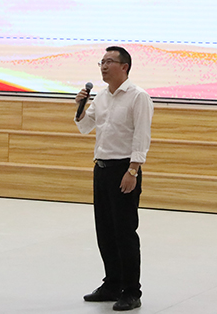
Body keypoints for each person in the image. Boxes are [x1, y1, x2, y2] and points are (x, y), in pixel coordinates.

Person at [75, 46, 154, 311]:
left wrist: (133, 171)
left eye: (109, 61)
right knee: (105, 231)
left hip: (124, 169)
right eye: (102, 62)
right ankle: (112, 284)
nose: (104, 66)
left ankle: (131, 291)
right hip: (102, 168)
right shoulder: (101, 97)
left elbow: (141, 136)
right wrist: (80, 108)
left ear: (124, 67)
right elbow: (85, 127)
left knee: (124, 232)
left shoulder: (138, 97)